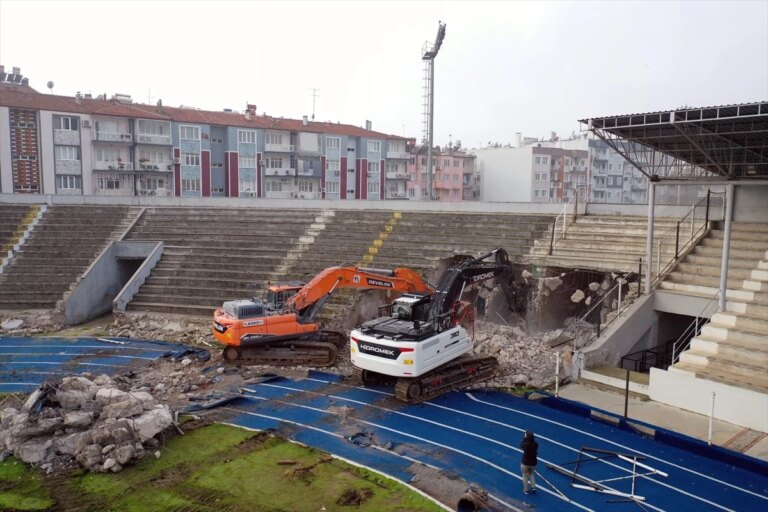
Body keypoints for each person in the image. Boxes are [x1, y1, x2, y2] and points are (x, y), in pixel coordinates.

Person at [520, 430, 538, 494]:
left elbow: (521, 445)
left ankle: (526, 490)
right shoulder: (536, 444)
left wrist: (524, 438)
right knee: (531, 473)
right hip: (533, 462)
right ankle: (533, 487)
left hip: (525, 463)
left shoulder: (525, 445)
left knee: (525, 476)